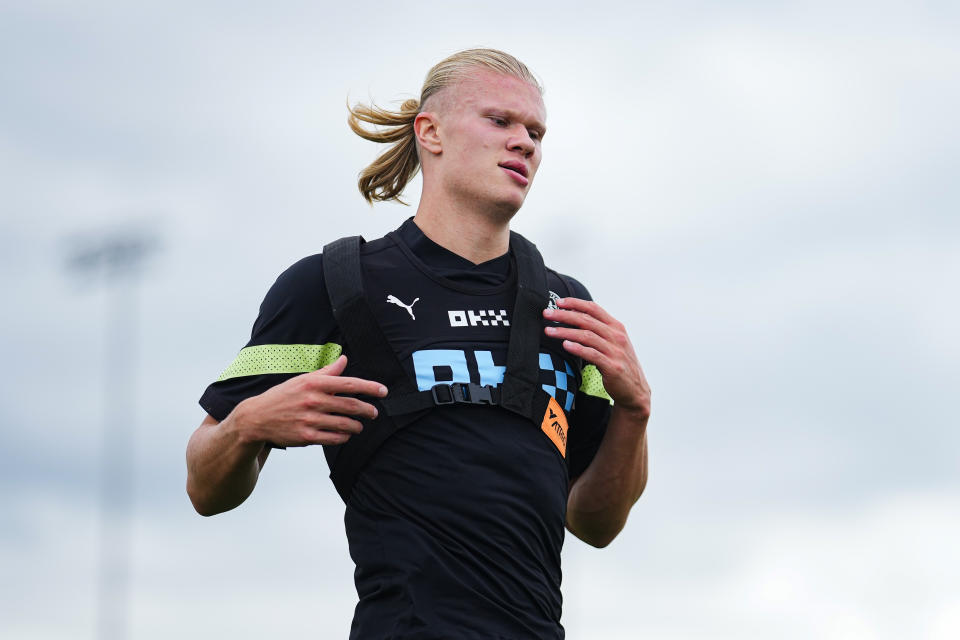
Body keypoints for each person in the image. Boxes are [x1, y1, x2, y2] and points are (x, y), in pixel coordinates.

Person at [187, 48, 651, 639]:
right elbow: (203, 486)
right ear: (429, 132)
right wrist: (249, 422)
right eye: (500, 121)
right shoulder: (332, 285)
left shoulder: (566, 308)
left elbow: (596, 522)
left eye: (536, 131)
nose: (525, 143)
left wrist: (635, 412)